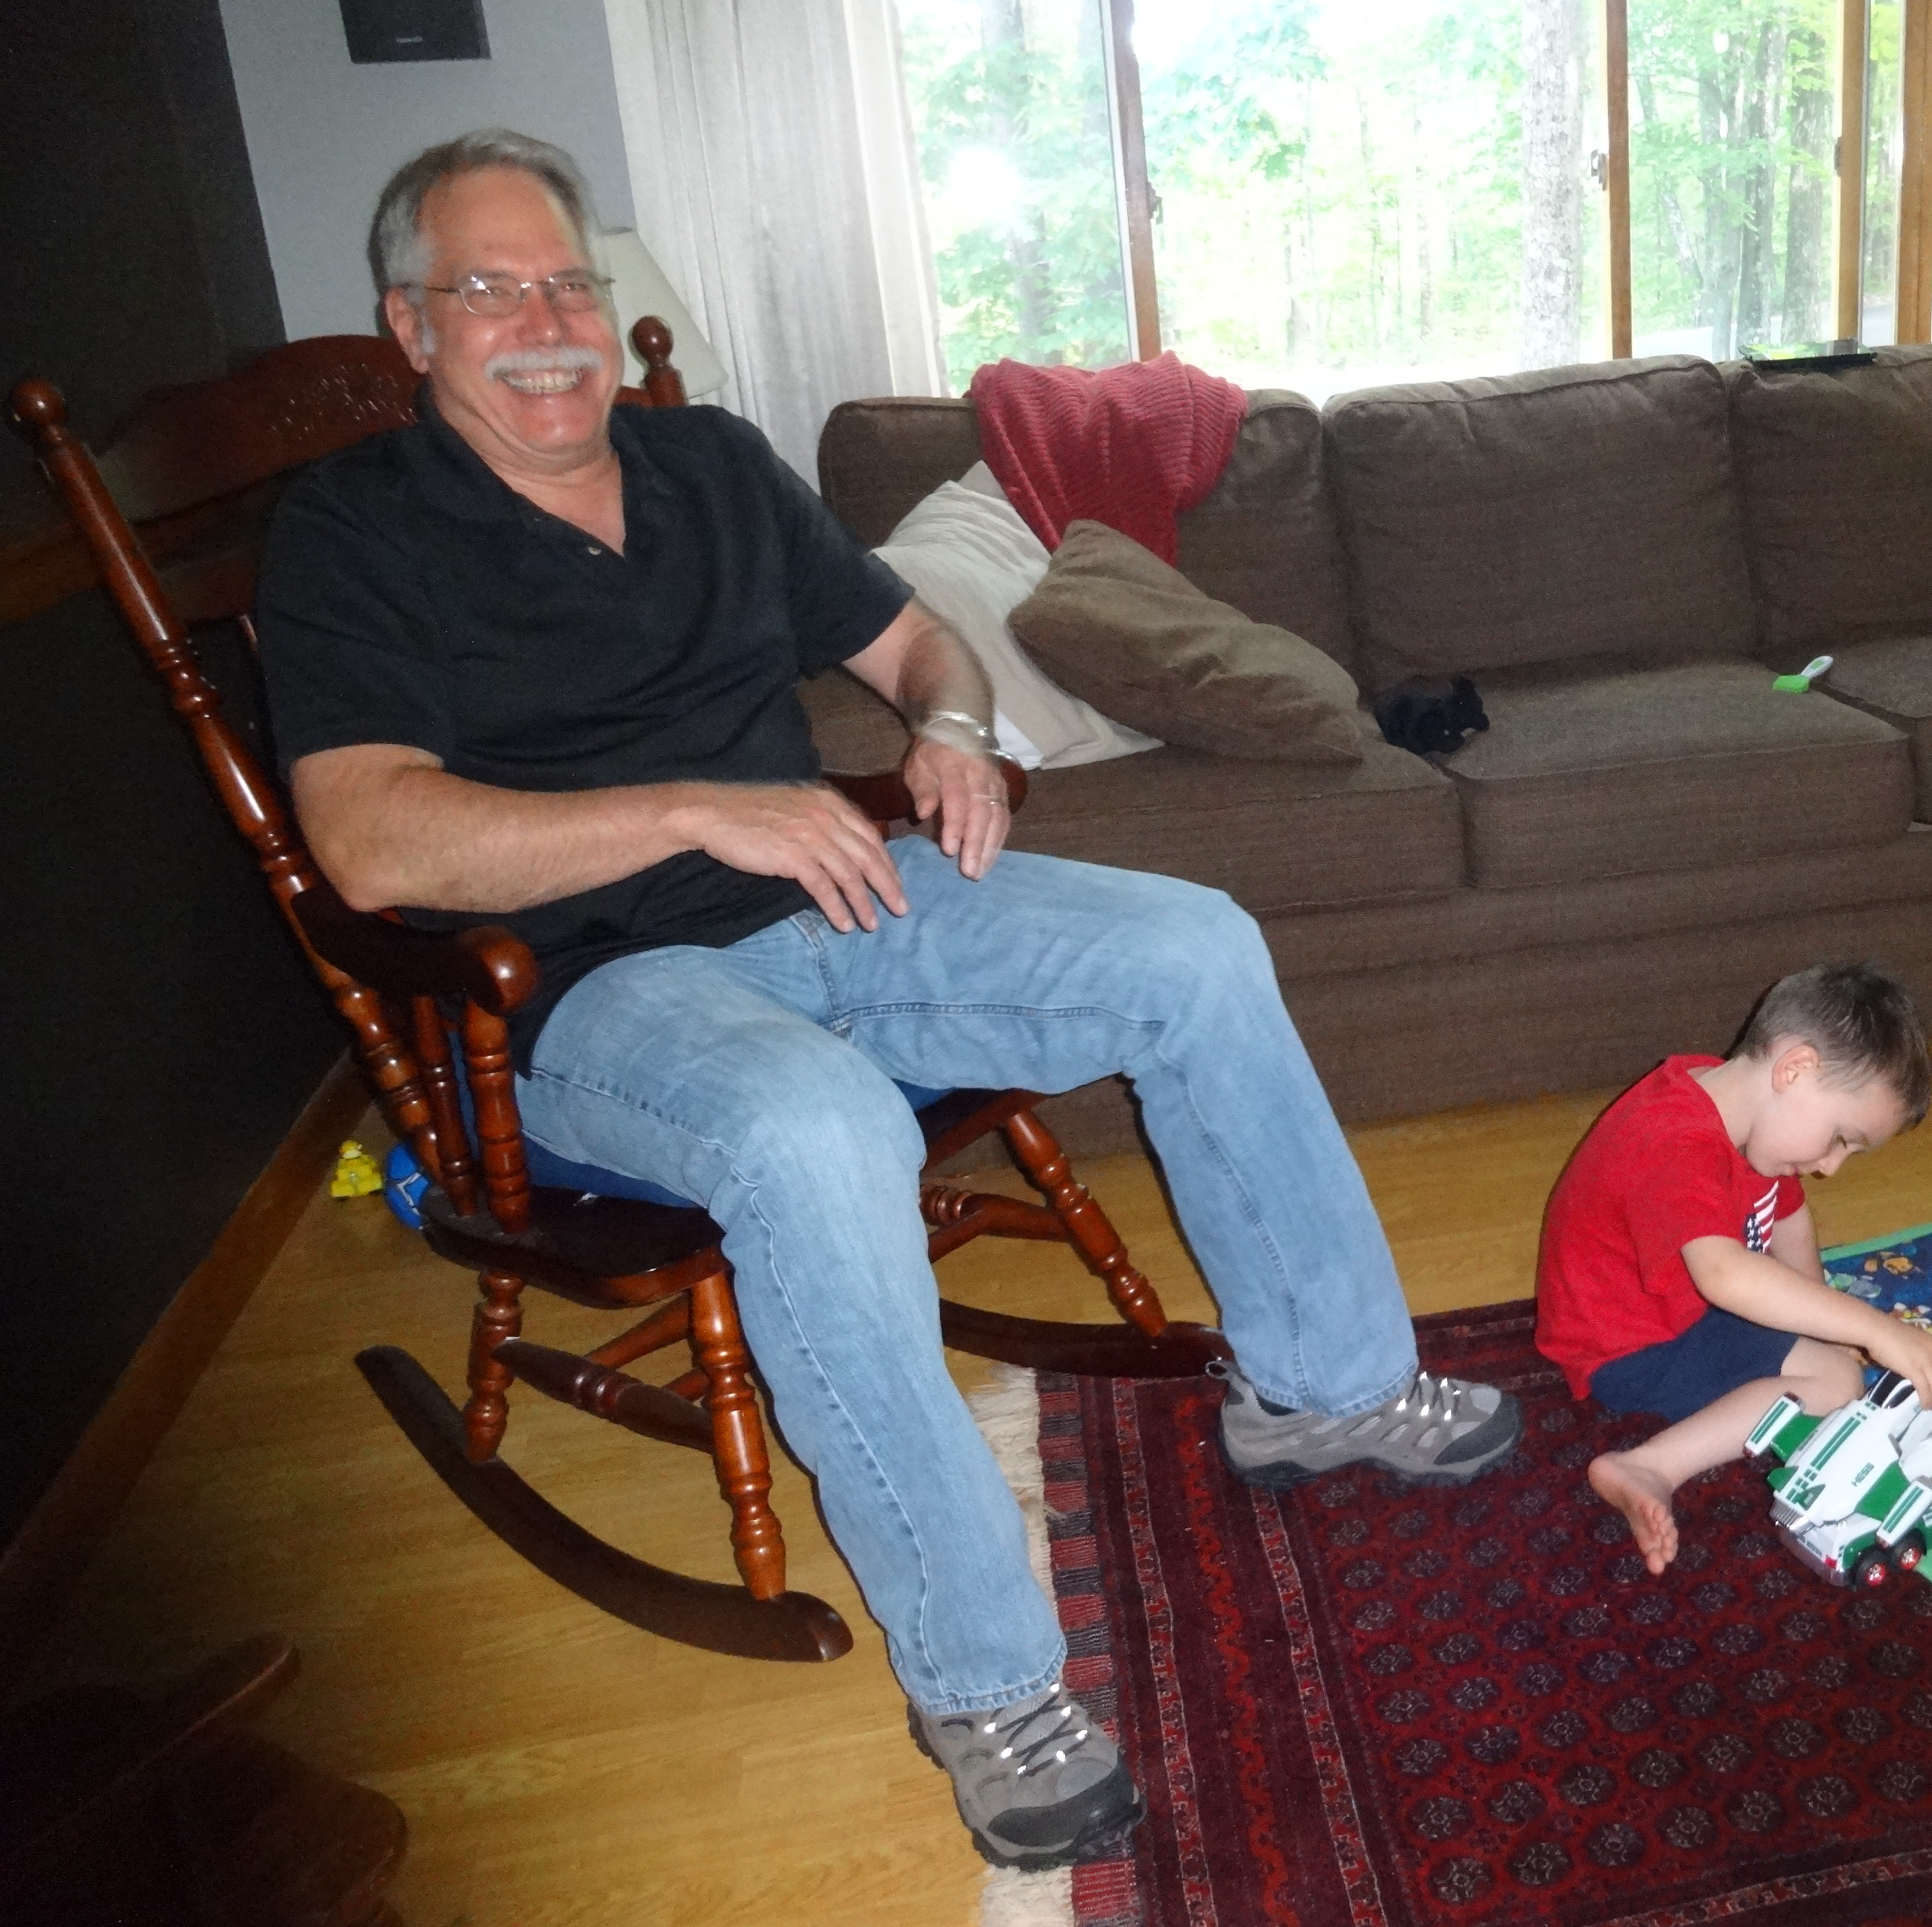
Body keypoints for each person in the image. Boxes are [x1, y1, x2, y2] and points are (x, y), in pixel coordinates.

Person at [253, 130, 1519, 1873]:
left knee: (1194, 945)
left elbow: (923, 639)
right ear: (411, 323)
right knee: (821, 1128)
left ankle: (1320, 1383)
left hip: (838, 900)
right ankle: (986, 1679)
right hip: (588, 996)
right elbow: (367, 837)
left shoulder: (707, 461)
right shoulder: (353, 531)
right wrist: (694, 810)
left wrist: (952, 726)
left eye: (568, 282)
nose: (545, 324)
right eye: (490, 290)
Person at [1537, 963, 1932, 1576]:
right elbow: (1727, 1277)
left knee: (1824, 1347)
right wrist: (1870, 1329)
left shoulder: (1741, 1108)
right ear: (1795, 1068)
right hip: (1629, 1346)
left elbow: (1789, 1219)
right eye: (1841, 1138)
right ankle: (1649, 1465)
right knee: (1836, 1382)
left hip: (1673, 1310)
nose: (1831, 1167)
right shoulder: (1674, 1140)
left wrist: (1822, 1320)